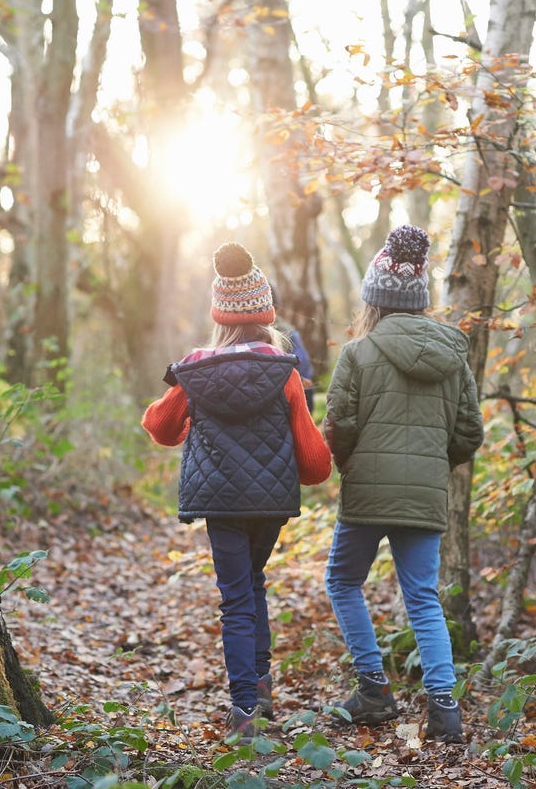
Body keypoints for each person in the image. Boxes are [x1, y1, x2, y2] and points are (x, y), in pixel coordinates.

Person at [142, 242, 332, 742]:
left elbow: (159, 426)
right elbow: (314, 463)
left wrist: (190, 428)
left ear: (220, 316)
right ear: (264, 313)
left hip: (220, 503)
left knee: (236, 599)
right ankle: (262, 688)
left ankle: (245, 710)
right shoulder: (284, 370)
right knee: (253, 584)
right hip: (269, 506)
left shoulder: (195, 369)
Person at [322, 224, 485, 744]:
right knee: (423, 598)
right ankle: (444, 711)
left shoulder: (357, 353)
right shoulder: (453, 355)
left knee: (343, 582)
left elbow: (338, 427)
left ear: (374, 298)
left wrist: (352, 462)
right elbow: (469, 433)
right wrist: (434, 464)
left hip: (367, 493)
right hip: (425, 495)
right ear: (419, 300)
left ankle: (373, 688)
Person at [270, 283, 317, 412]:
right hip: (285, 414)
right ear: (277, 307)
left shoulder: (232, 338)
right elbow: (304, 376)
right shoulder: (290, 334)